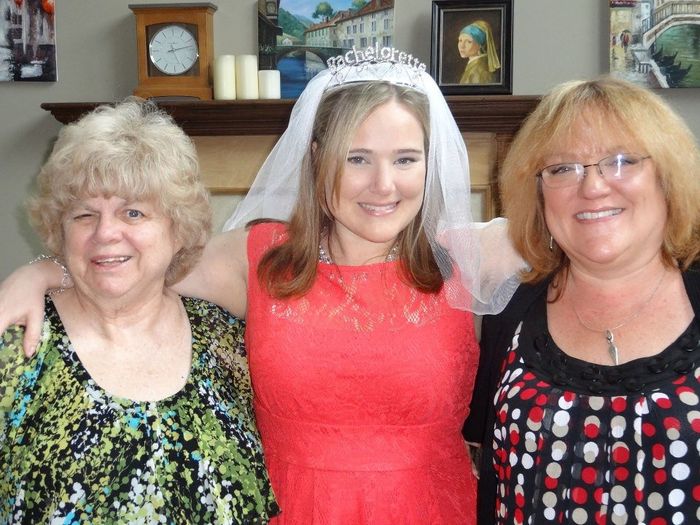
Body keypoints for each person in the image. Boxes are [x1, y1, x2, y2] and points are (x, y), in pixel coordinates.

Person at [0, 46, 524, 524]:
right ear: (317, 157)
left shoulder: (471, 256)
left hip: (434, 509)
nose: (383, 185)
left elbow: (567, 233)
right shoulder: (256, 259)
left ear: (431, 163)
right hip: (291, 509)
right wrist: (44, 270)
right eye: (356, 158)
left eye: (405, 159)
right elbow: (135, 257)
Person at [0, 99, 279, 523]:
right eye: (84, 215)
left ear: (178, 229)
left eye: (133, 212)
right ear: (59, 231)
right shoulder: (16, 346)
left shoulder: (227, 342)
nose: (106, 233)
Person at [465, 77, 700, 524]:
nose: (592, 187)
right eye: (562, 169)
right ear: (538, 193)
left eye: (621, 161)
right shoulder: (508, 311)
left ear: (668, 179)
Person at [458, 20, 500, 84]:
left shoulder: (478, 71)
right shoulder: (475, 65)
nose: (462, 46)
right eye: (460, 40)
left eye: (468, 42)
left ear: (480, 45)